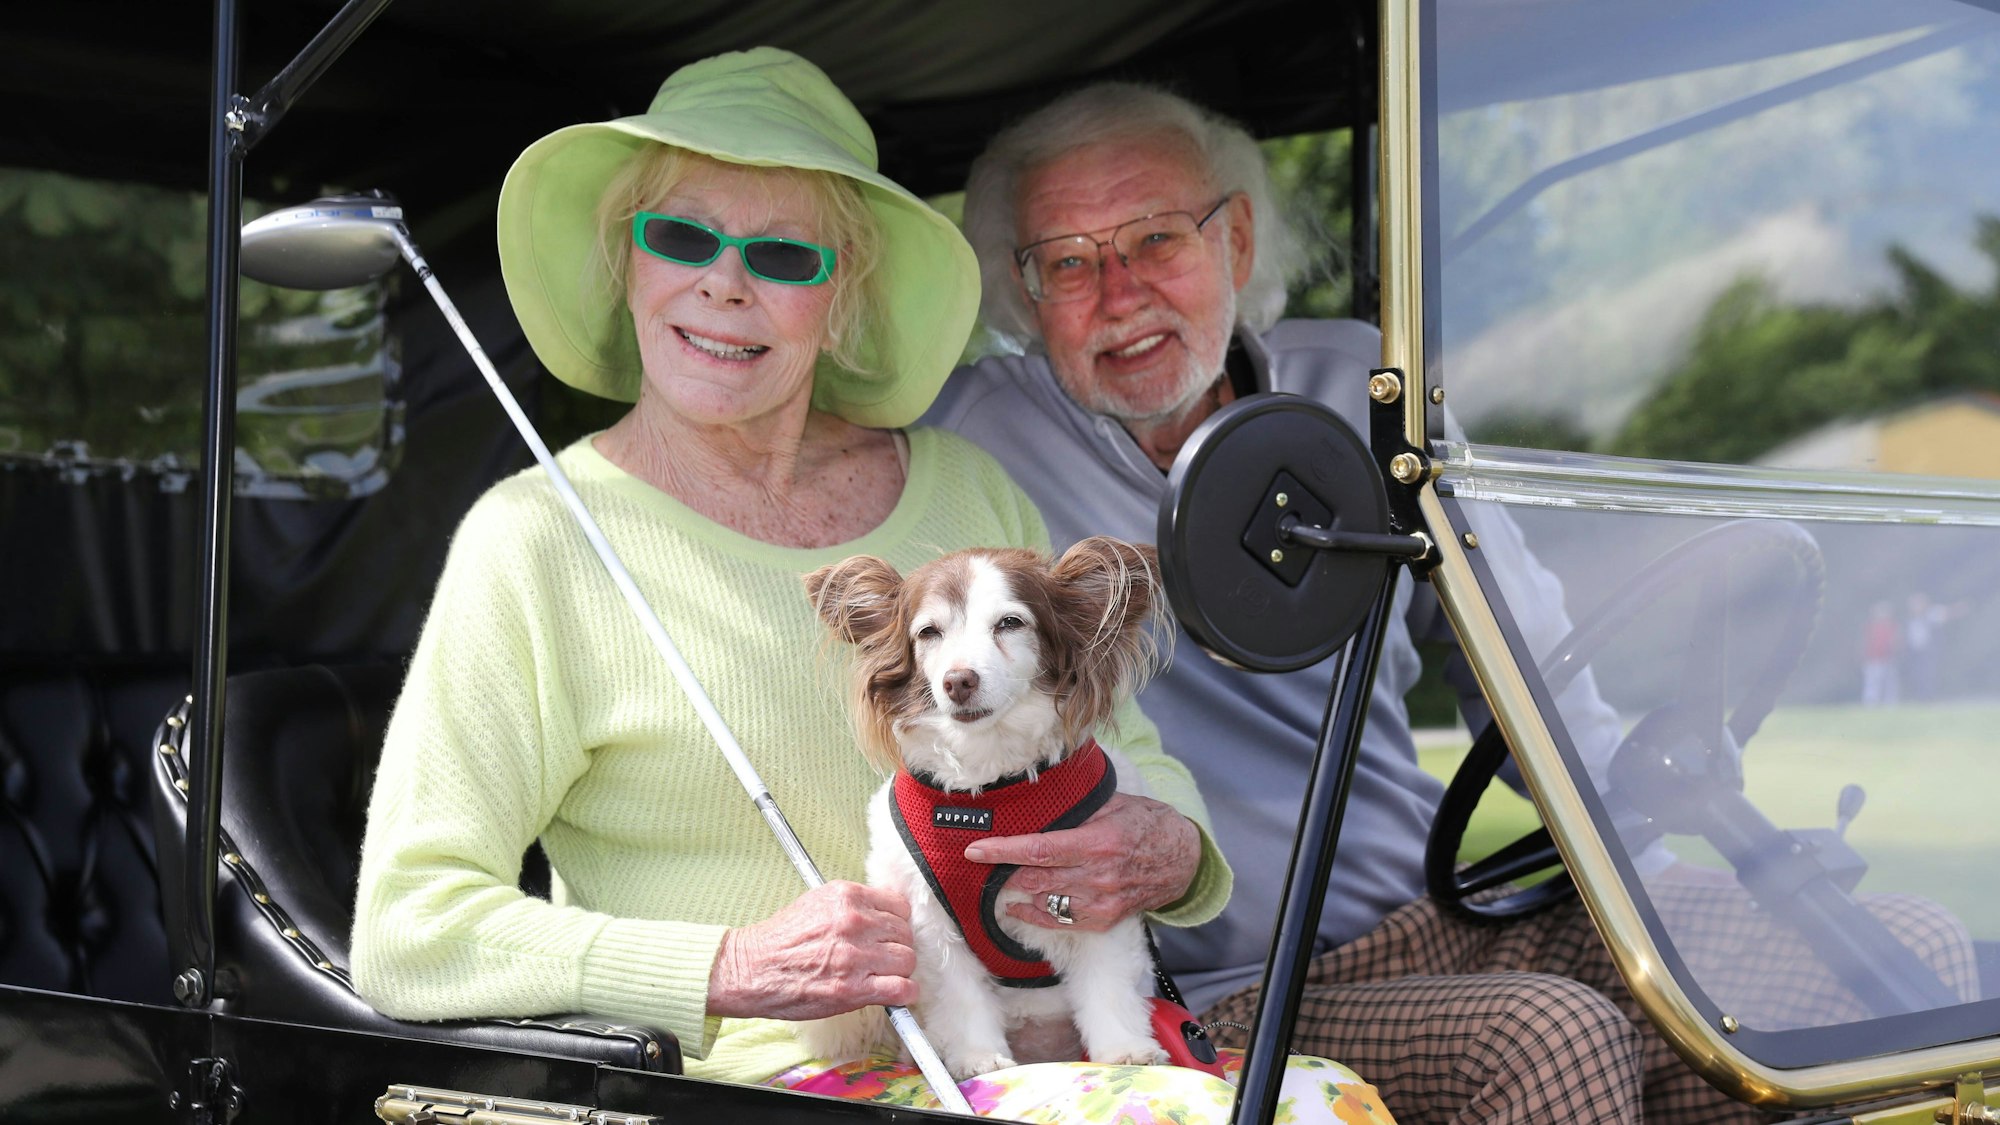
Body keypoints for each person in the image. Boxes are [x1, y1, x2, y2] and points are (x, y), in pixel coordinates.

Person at [350, 49, 1393, 1124]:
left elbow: (1122, 754)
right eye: (680, 235)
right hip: (755, 1085)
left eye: (785, 255)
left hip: (1037, 1048)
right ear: (627, 265)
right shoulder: (531, 540)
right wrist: (727, 963)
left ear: (842, 297)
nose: (723, 280)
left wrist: (1167, 848)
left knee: (1333, 1104)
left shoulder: (965, 489)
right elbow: (408, 927)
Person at [923, 82, 1976, 1124]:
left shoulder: (1359, 389)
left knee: (1898, 959)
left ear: (1236, 243)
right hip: (1238, 978)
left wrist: (1657, 865)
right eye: (1066, 262)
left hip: (1446, 911)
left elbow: (1519, 658)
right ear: (1022, 296)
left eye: (1156, 239)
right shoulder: (975, 443)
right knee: (1549, 1038)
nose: (1119, 292)